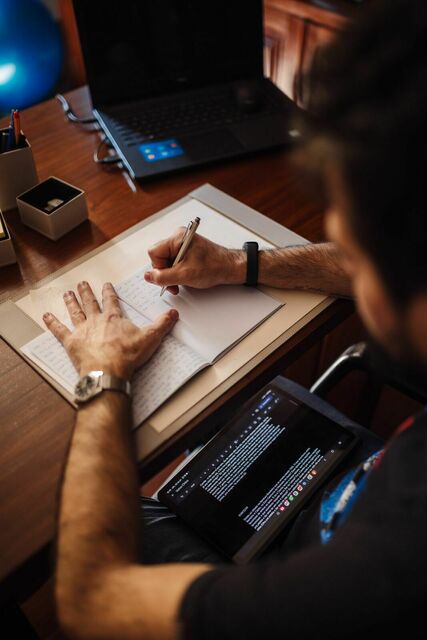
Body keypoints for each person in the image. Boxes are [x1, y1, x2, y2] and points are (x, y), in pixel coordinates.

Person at [45, 1, 427, 638]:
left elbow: (90, 599)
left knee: (111, 520)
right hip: (364, 480)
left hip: (319, 561)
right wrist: (239, 264)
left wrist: (103, 375)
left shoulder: (391, 572)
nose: (344, 251)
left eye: (353, 244)